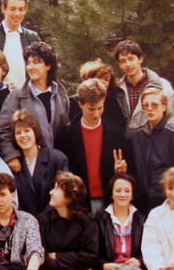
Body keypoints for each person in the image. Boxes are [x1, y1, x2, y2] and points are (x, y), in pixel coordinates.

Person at [58, 78, 128, 213]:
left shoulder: (116, 133)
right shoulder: (66, 135)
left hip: (109, 199)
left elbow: (126, 173)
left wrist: (119, 173)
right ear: (80, 104)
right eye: (91, 109)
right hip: (80, 202)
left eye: (100, 108)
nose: (96, 114)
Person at [0, 42, 70, 170]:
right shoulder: (17, 96)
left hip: (55, 163)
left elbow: (66, 130)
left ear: (48, 65)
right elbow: (3, 130)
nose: (31, 67)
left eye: (36, 62)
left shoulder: (61, 94)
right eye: (28, 63)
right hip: (27, 163)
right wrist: (11, 156)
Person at [128, 88, 174, 211]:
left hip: (170, 200)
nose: (149, 109)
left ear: (164, 107)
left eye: (154, 105)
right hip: (143, 203)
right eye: (145, 106)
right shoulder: (137, 136)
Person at [113, 39, 174, 133]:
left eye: (131, 59)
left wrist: (170, 139)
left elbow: (173, 117)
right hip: (127, 140)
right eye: (123, 61)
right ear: (119, 64)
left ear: (140, 59)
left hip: (156, 138)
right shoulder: (117, 89)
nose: (128, 64)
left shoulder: (162, 85)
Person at [9, 109, 69, 216]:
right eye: (18, 133)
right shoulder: (12, 165)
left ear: (35, 132)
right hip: (25, 222)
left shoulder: (57, 159)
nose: (23, 135)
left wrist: (43, 220)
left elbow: (64, 193)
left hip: (54, 220)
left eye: (27, 131)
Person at [73, 58, 128, 133]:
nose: (103, 82)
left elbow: (119, 127)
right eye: (98, 78)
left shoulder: (113, 102)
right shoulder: (74, 101)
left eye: (106, 79)